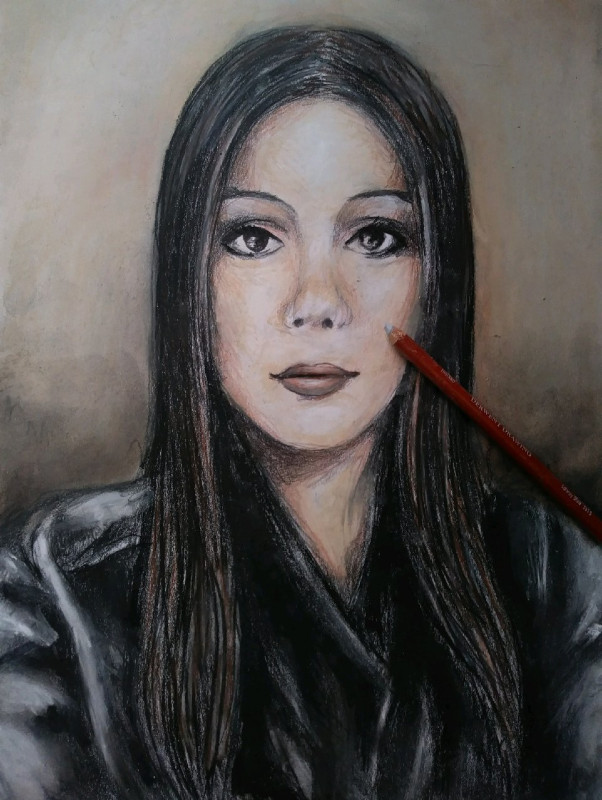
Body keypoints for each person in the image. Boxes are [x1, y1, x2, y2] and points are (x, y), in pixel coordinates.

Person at [0, 26, 600, 800]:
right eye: (254, 237)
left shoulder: (556, 576)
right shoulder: (55, 588)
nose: (317, 302)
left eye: (376, 236)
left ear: (438, 280)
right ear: (190, 277)